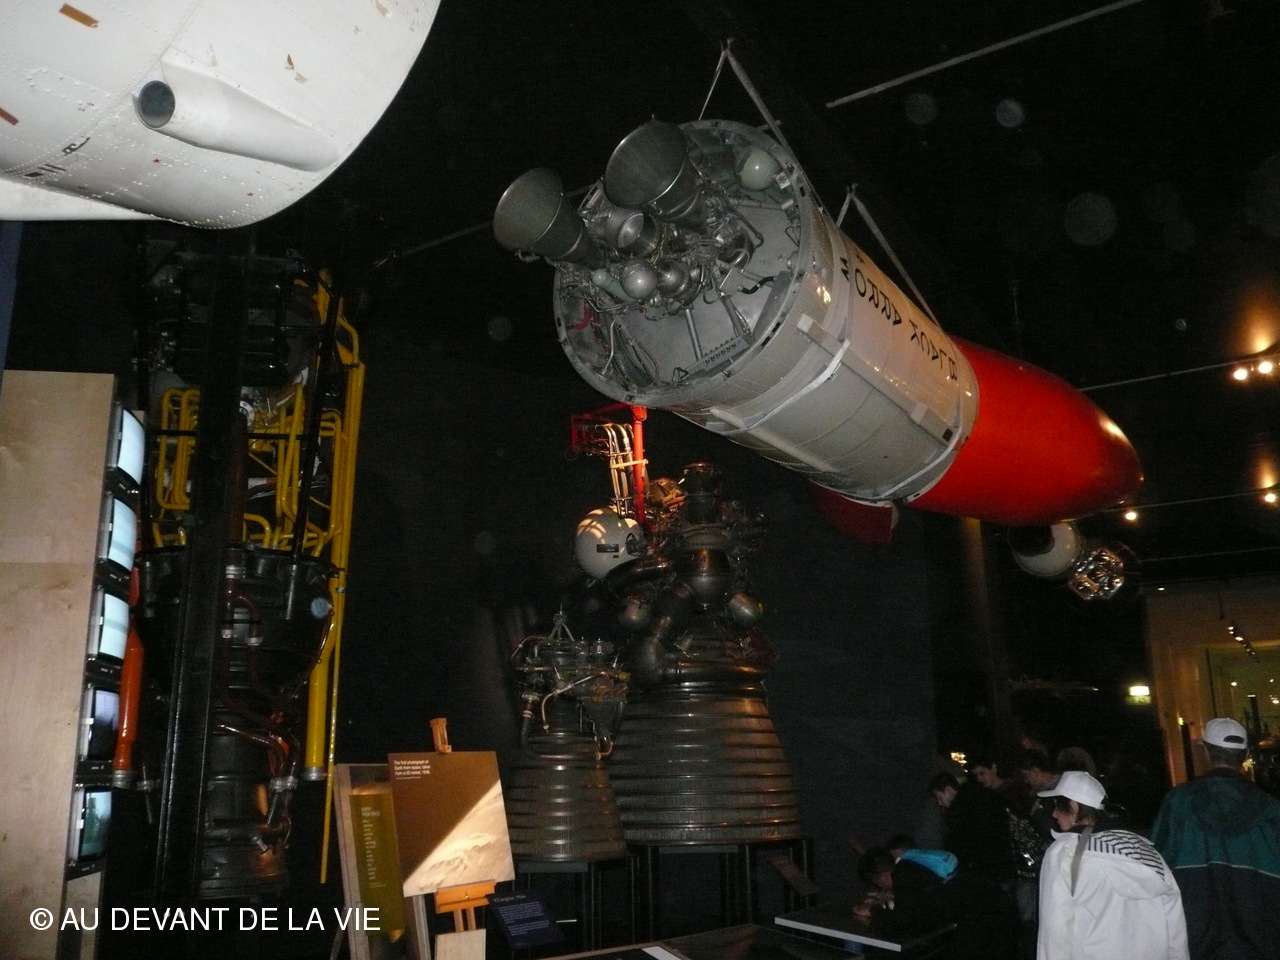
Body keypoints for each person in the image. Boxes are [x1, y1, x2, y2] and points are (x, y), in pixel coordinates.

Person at [1149, 717, 1280, 960]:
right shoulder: (1271, 809)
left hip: (1195, 939)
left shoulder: (1178, 803)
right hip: (1261, 941)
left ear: (1206, 752)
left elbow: (1156, 869)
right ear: (1245, 754)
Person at [1036, 770, 1187, 960]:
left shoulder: (1066, 852)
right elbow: (1175, 923)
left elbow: (1054, 931)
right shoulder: (1146, 850)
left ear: (1074, 806)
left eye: (1058, 805)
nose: (1054, 813)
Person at [856, 843, 1018, 960]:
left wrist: (873, 911)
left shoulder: (903, 874)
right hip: (997, 907)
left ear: (881, 877)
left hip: (983, 921)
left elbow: (904, 923)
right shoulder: (914, 860)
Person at [929, 770, 1013, 884]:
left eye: (939, 798)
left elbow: (964, 844)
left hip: (986, 871)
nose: (939, 803)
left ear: (948, 790)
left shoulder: (962, 812)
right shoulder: (981, 799)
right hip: (999, 866)